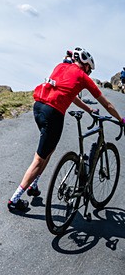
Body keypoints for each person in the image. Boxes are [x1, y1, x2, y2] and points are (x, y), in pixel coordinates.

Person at [7, 47, 124, 212]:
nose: (89, 73)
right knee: (39, 159)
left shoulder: (60, 66)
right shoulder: (83, 77)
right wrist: (121, 119)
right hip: (53, 114)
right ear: (85, 66)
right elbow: (108, 104)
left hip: (38, 108)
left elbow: (70, 95)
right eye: (89, 69)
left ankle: (34, 185)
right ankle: (14, 199)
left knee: (48, 150)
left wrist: (89, 110)